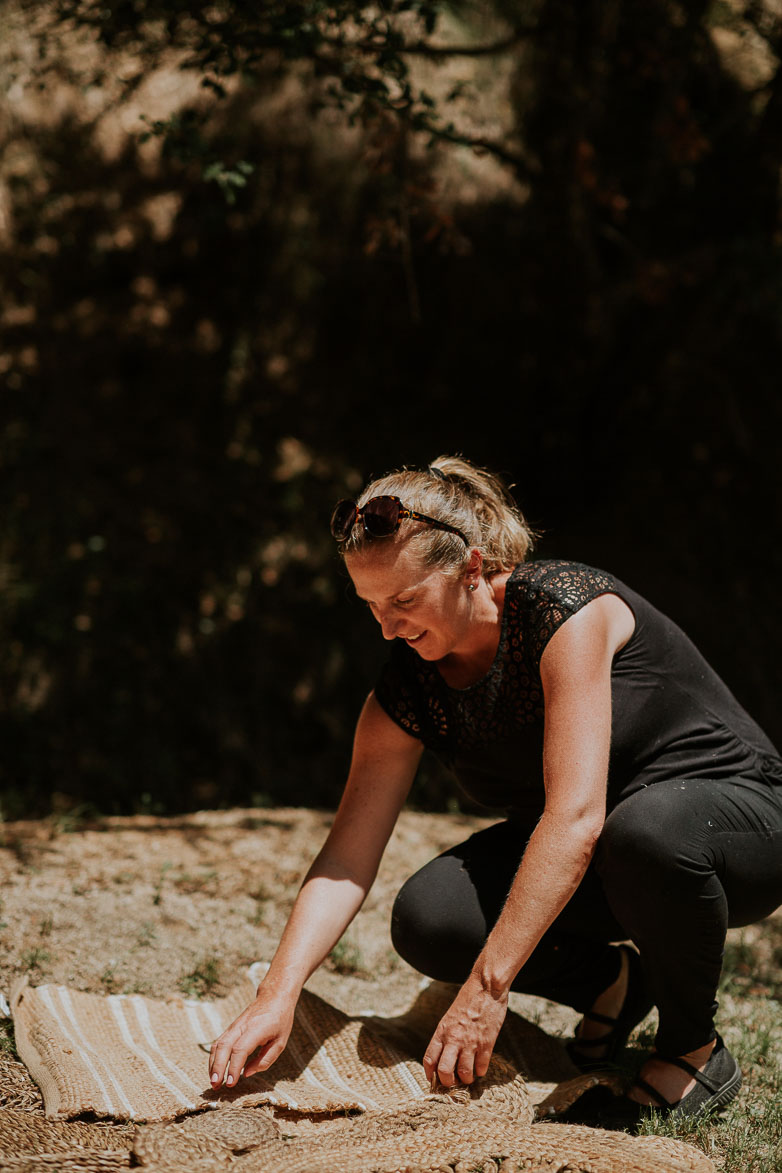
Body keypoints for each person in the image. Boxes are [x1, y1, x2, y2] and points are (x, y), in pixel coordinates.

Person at [209, 456, 782, 1126]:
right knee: (432, 915)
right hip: (610, 848)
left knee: (644, 830)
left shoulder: (565, 611)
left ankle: (693, 1044)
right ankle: (616, 985)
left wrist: (489, 987)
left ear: (472, 567)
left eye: (404, 600)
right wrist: (279, 993)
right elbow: (344, 861)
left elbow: (574, 818)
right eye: (370, 607)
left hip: (736, 819)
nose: (388, 628)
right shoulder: (407, 691)